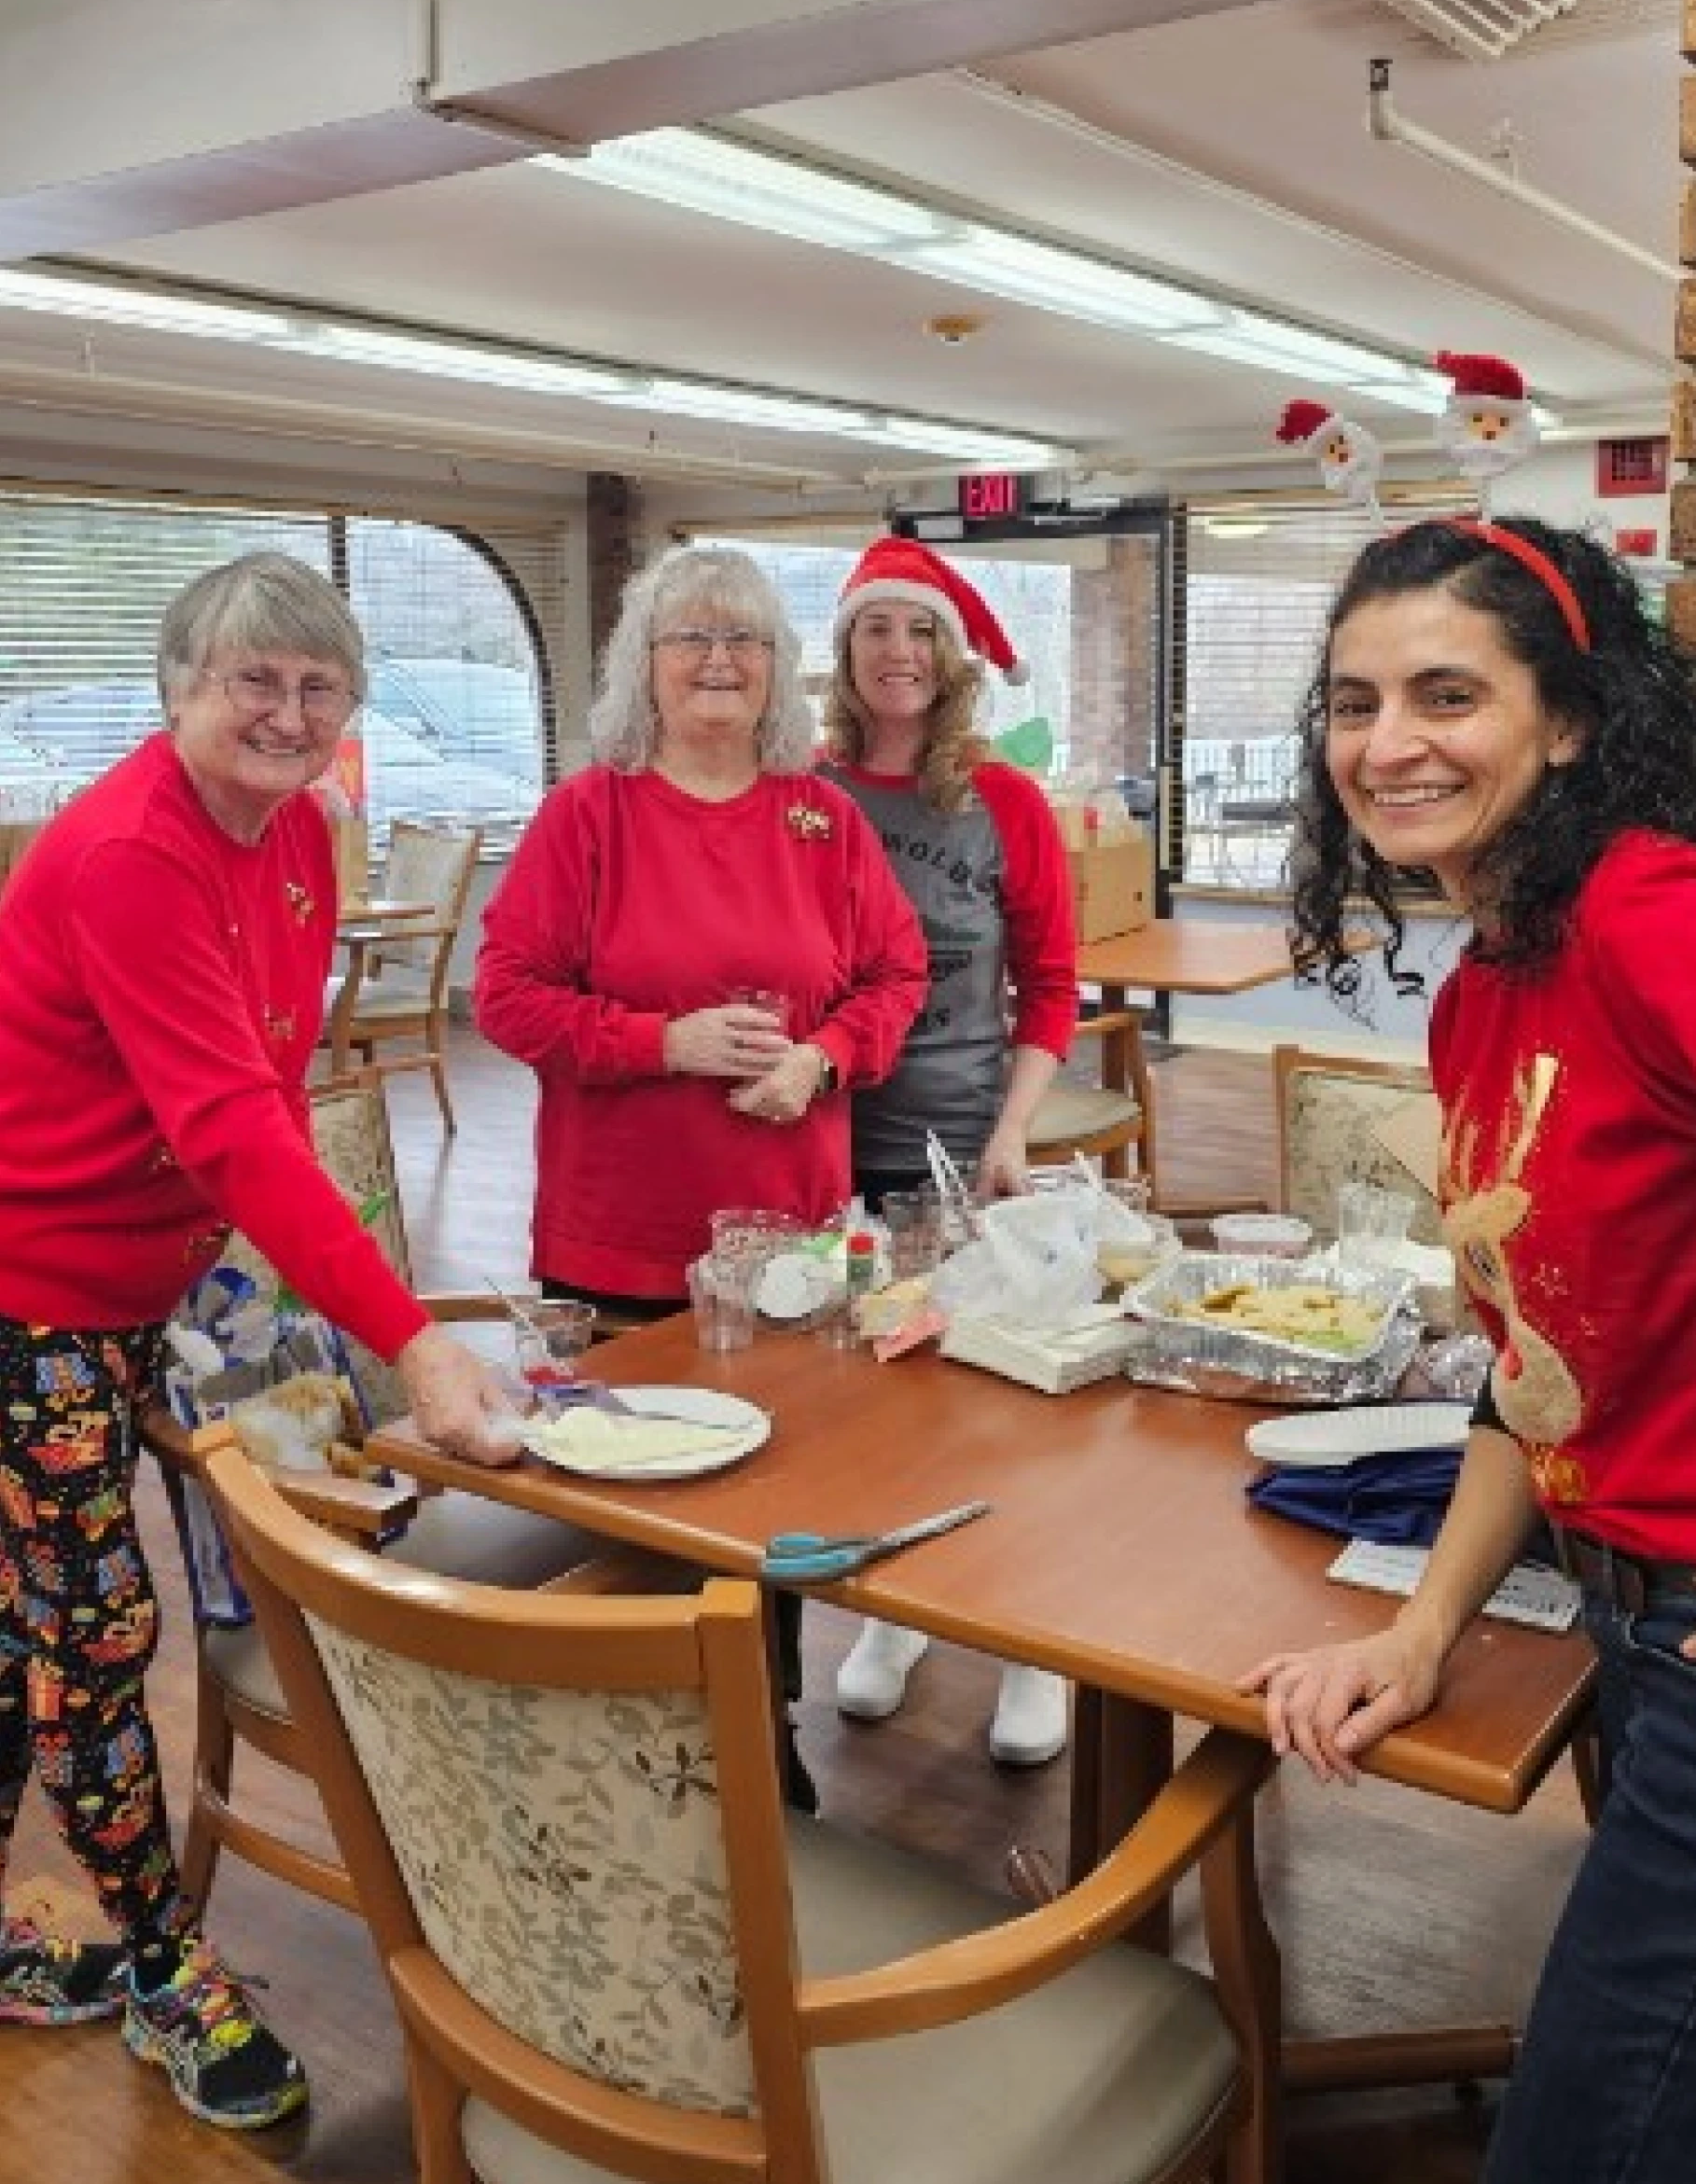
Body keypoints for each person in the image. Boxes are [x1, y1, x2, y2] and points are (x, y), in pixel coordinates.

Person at [1241, 515, 1696, 2184]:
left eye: (1440, 694)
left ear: (1564, 717)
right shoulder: (1493, 979)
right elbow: (1534, 1366)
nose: (1384, 744)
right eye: (1350, 701)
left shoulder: (1660, 921)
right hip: (1631, 1630)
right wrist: (1421, 1632)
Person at [0, 552, 521, 2133]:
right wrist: (410, 1338)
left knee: (28, 1624)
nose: (288, 715)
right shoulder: (125, 855)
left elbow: (260, 1081)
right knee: (90, 1632)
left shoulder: (296, 826)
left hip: (159, 1274)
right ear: (176, 687)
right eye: (254, 680)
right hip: (34, 1290)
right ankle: (164, 1966)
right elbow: (227, 1116)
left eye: (320, 686)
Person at [473, 546, 928, 1807]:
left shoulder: (818, 815)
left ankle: (758, 1734)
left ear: (779, 670)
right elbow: (505, 994)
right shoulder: (591, 814)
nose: (719, 660)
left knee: (769, 1495)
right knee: (631, 1505)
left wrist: (826, 1060)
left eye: (746, 639)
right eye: (690, 637)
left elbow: (895, 976)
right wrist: (653, 1041)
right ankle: (631, 1754)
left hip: (781, 1245)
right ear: (645, 664)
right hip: (615, 1238)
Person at [818, 537, 1079, 1767]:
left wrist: (1014, 1127)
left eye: (918, 632)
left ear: (950, 653)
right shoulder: (805, 791)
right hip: (820, 1146)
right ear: (844, 649)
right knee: (871, 1396)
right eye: (876, 629)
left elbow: (1053, 983)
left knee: (987, 1394)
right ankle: (893, 1611)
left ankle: (1030, 1636)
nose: (898, 654)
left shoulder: (1001, 802)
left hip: (964, 1137)